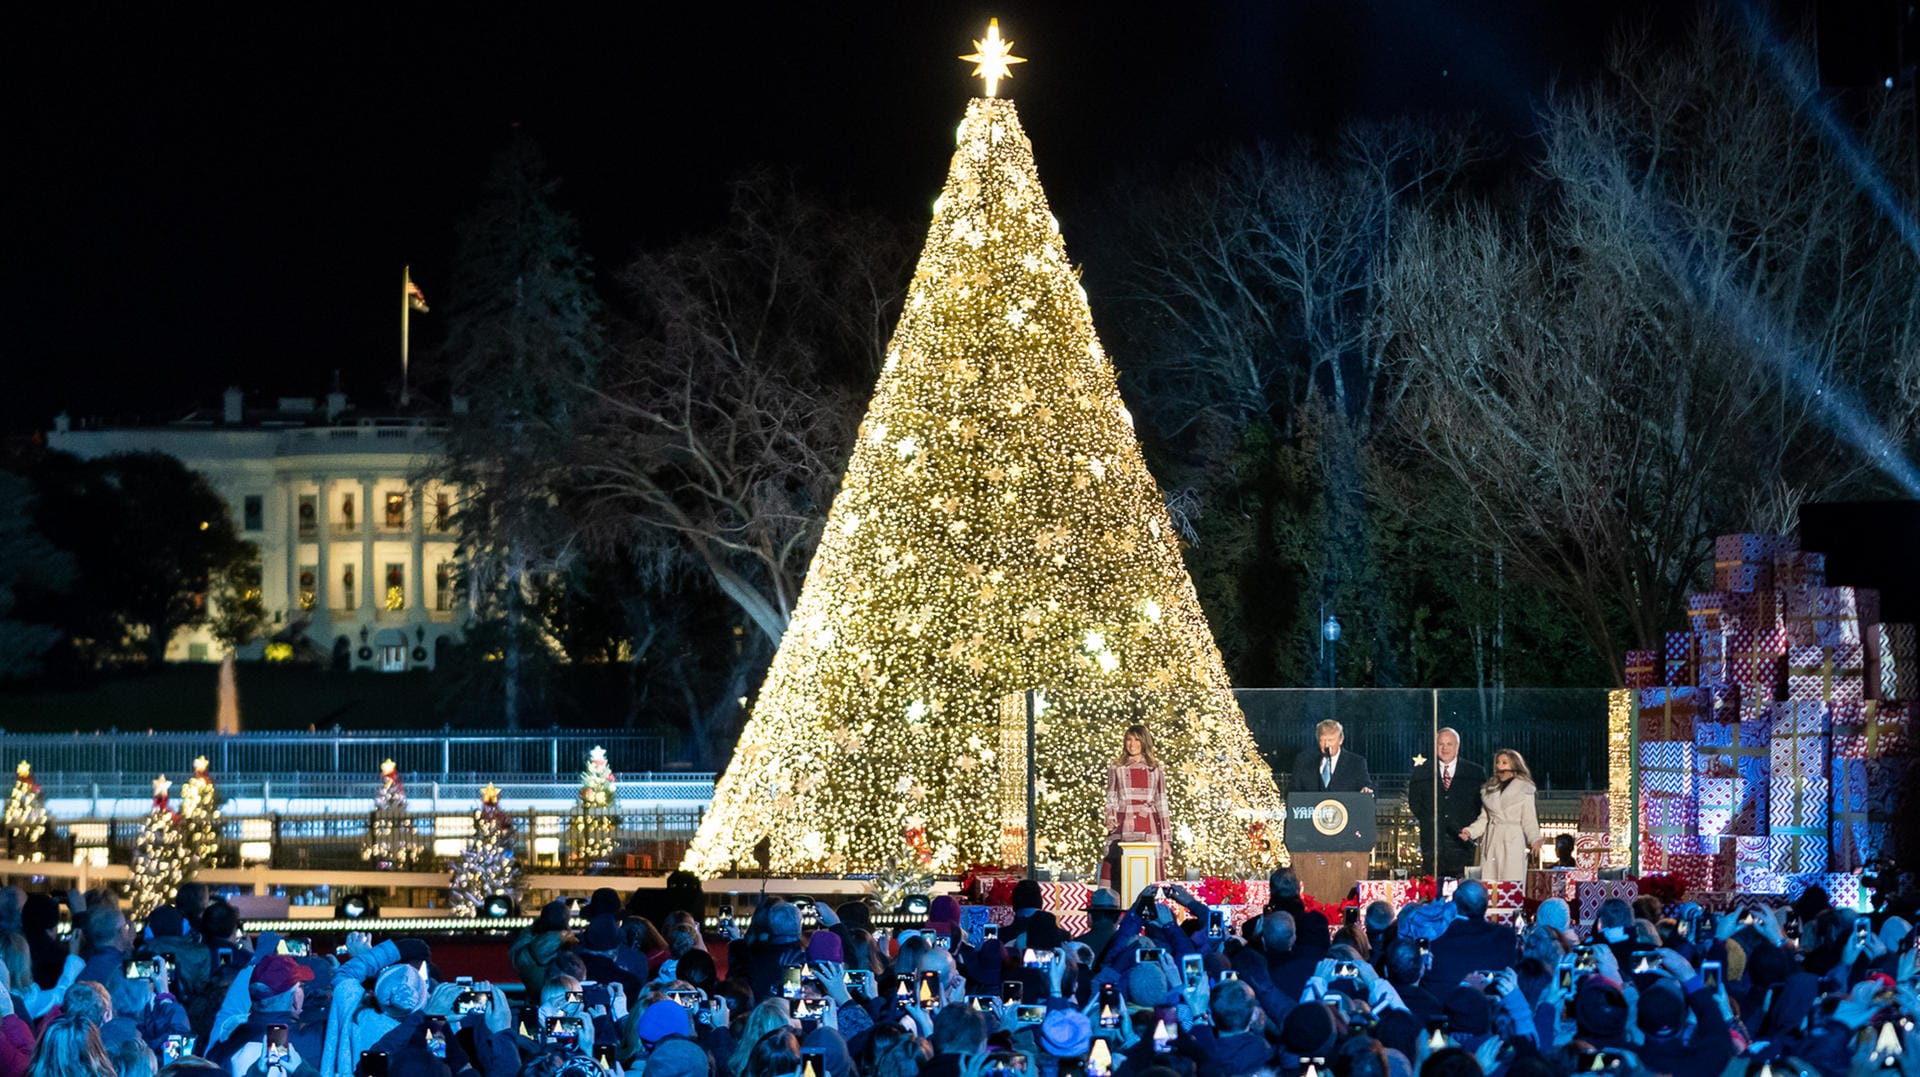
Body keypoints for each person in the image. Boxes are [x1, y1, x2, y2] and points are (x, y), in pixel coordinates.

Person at [1406, 728, 1484, 878]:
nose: (1445, 748)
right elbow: (1415, 803)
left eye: (1449, 744)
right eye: (1441, 744)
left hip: (1462, 840)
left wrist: (1469, 829)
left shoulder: (1475, 773)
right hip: (1432, 841)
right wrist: (1431, 820)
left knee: (1462, 889)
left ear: (1457, 746)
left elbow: (1480, 804)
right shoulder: (1422, 772)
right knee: (1433, 888)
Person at [1103, 724, 1172, 887]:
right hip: (1122, 824)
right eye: (1128, 739)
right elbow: (1111, 796)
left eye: (1137, 740)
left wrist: (1166, 839)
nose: (1132, 744)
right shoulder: (1117, 767)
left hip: (1148, 825)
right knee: (1119, 873)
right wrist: (1110, 817)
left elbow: (1162, 802)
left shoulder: (1155, 768)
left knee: (1148, 874)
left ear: (1144, 742)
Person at [1459, 748, 1541, 883]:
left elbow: (1529, 819)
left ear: (1514, 765)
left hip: (1512, 840)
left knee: (1511, 881)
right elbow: (1484, 819)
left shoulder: (1524, 789)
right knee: (1489, 882)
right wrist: (1470, 831)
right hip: (1492, 841)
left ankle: (1511, 902)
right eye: (1498, 762)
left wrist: (1535, 838)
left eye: (1504, 763)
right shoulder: (1489, 790)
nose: (1499, 766)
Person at [1289, 720, 1373, 794]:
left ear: (1341, 740)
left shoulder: (1356, 763)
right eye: (1323, 740)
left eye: (1330, 740)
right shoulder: (1303, 761)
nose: (1326, 745)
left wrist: (1366, 790)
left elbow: (1367, 788)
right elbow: (1292, 791)